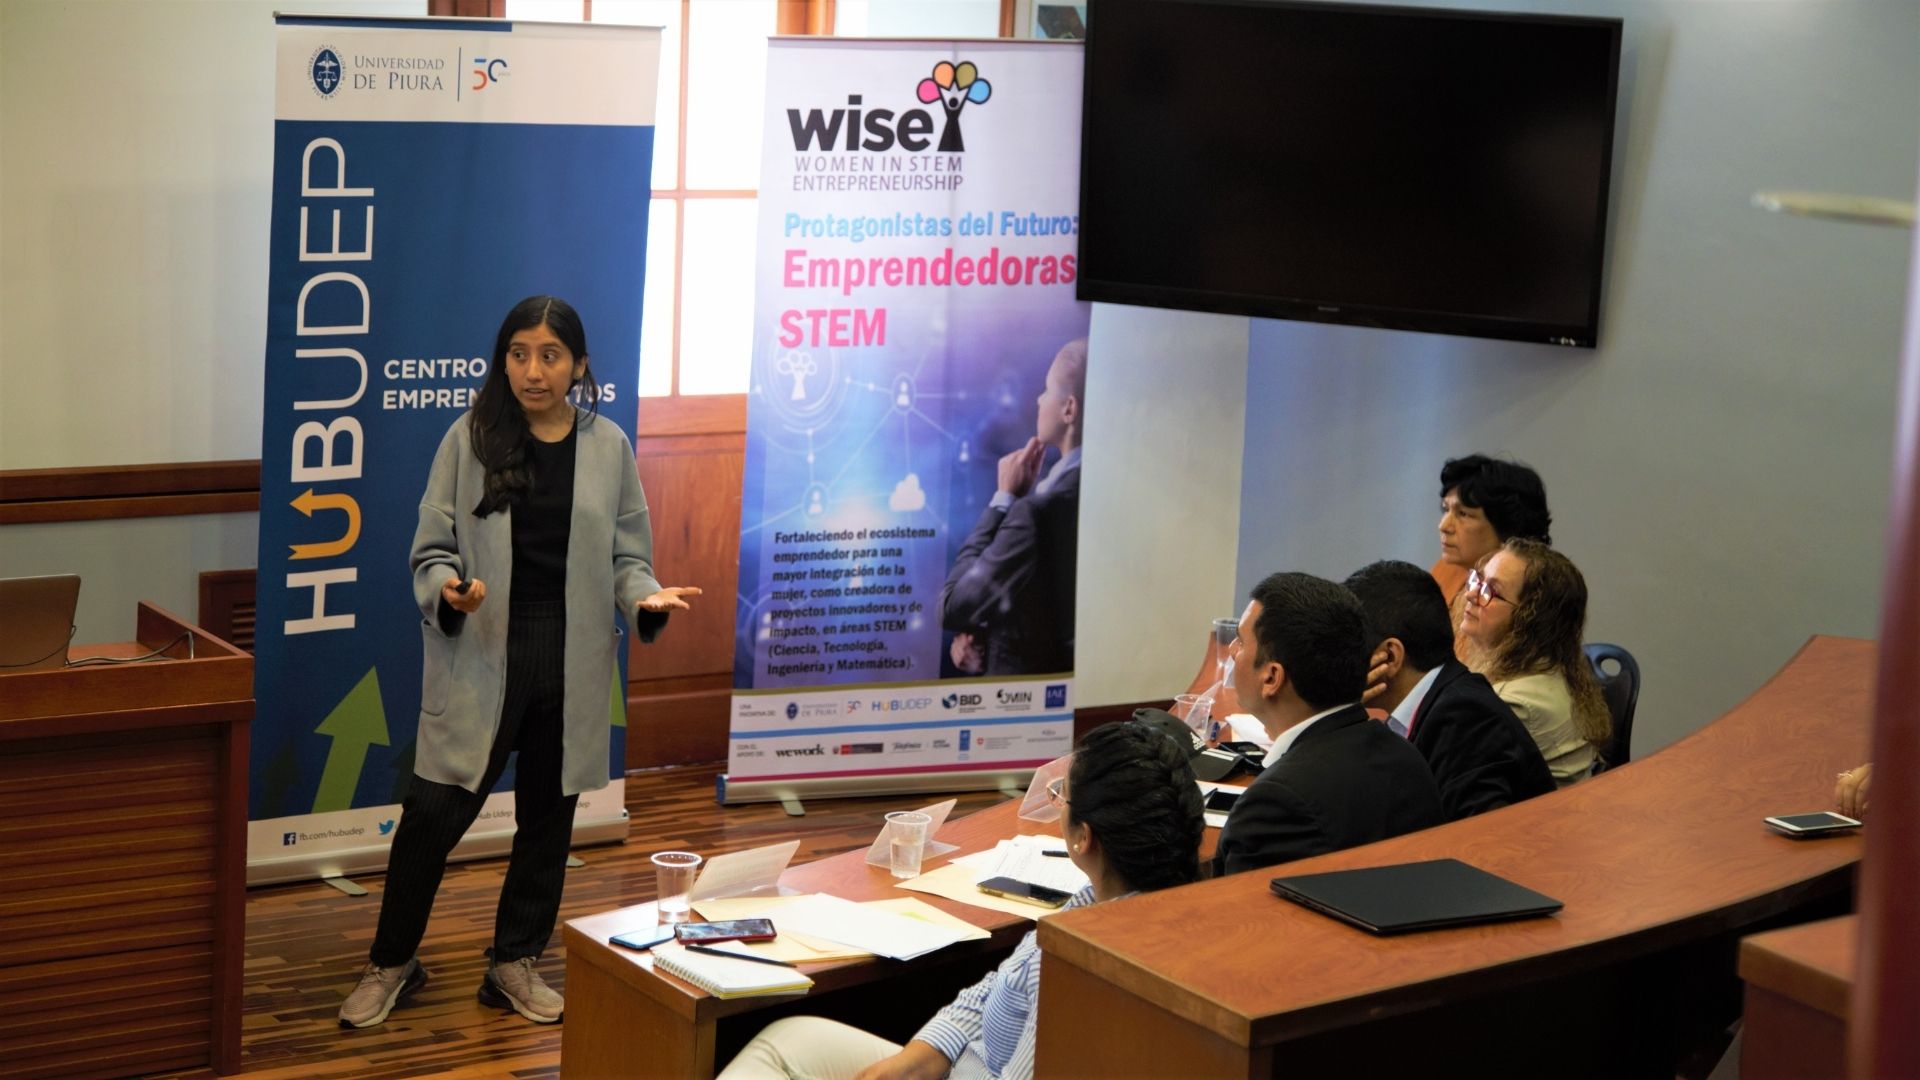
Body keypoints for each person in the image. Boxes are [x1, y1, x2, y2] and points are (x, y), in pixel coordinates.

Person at [338, 296, 701, 1029]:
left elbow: (629, 559)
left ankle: (514, 962)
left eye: (550, 356)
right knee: (431, 817)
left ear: (579, 365)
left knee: (547, 822)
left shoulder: (609, 446)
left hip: (571, 660)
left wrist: (645, 598)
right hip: (480, 653)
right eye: (518, 354)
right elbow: (431, 549)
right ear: (502, 361)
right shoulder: (468, 438)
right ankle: (392, 963)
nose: (533, 371)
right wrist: (449, 589)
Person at [715, 719, 1205, 1080]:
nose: (1057, 804)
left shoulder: (1083, 968)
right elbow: (997, 986)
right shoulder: (1102, 900)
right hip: (958, 1064)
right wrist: (923, 1056)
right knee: (787, 1041)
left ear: (1084, 838)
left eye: (1062, 795)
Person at [1212, 572, 1442, 877]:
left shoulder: (1274, 805)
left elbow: (1238, 907)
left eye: (1241, 642)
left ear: (1272, 678)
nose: (1231, 650)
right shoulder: (1407, 757)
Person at [1344, 560, 1555, 822]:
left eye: (1347, 647)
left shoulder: (1464, 716)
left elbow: (1478, 836)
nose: (1337, 662)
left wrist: (1340, 713)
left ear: (1390, 656)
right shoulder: (1438, 700)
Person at [942, 339, 1085, 676]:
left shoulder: (1036, 513)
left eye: (1047, 389)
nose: (1038, 399)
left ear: (1069, 409)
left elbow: (952, 605)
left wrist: (1004, 498)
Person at [1459, 538, 1608, 787]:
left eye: (1491, 591)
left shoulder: (1512, 702)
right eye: (1478, 580)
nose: (1470, 594)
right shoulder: (1544, 665)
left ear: (1529, 620)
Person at [1432, 454, 1553, 658]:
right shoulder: (1447, 571)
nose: (1443, 526)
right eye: (1446, 509)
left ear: (1508, 526)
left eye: (1463, 514)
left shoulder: (1527, 594)